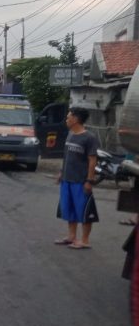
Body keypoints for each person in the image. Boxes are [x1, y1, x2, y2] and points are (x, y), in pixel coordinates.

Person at [54, 107, 99, 250]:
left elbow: (92, 160)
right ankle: (71, 236)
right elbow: (67, 157)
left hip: (80, 181)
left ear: (76, 119)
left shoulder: (89, 138)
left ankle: (85, 240)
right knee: (69, 209)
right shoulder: (70, 135)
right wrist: (61, 172)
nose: (66, 120)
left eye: (68, 117)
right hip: (67, 179)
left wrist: (89, 181)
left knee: (84, 211)